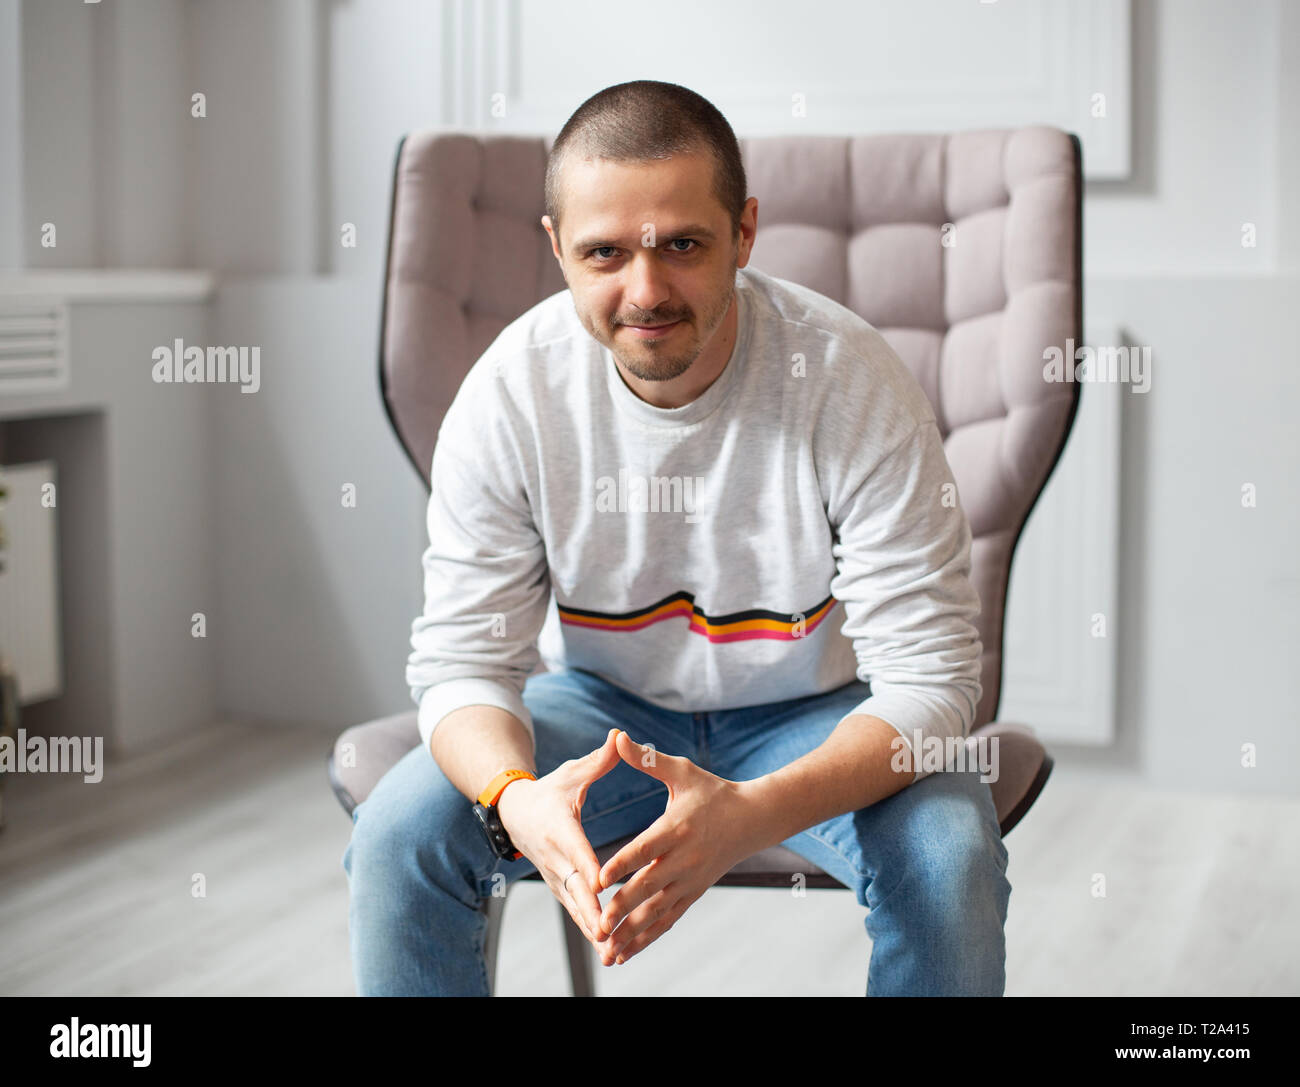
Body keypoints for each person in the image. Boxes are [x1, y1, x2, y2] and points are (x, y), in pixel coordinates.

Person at [342, 79, 1010, 996]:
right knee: (399, 836)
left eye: (683, 245)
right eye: (604, 252)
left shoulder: (850, 377)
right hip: (595, 711)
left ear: (744, 233)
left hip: (812, 714)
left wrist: (749, 813)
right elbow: (460, 663)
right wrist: (516, 797)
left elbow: (934, 684)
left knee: (950, 854)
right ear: (557, 249)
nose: (644, 291)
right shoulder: (510, 394)